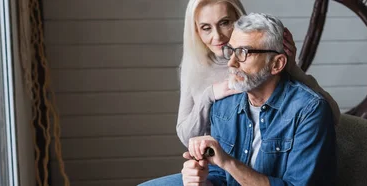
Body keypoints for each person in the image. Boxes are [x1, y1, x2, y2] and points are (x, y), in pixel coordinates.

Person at [141, 12, 337, 186]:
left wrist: (227, 161)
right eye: (231, 51)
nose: (232, 63)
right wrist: (201, 179)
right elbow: (220, 175)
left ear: (277, 64)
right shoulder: (225, 102)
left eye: (244, 53)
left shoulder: (309, 110)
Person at [175, 0, 340, 148]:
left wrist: (292, 68)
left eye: (225, 22)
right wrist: (209, 95)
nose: (217, 36)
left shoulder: (260, 60)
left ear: (239, 20)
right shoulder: (192, 67)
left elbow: (329, 115)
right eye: (206, 28)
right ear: (196, 31)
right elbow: (186, 137)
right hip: (211, 166)